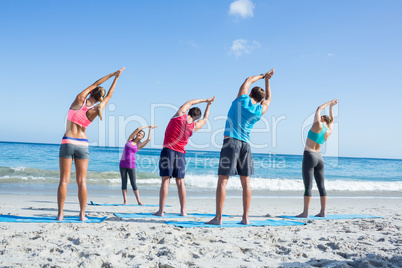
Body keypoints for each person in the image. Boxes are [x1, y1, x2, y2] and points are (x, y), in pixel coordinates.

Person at [207, 68, 275, 225]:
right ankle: (245, 218)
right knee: (246, 183)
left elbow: (248, 79)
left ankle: (218, 218)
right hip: (246, 145)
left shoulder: (242, 100)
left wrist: (263, 75)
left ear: (250, 93)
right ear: (260, 99)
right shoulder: (259, 110)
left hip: (231, 142)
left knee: (223, 180)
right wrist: (268, 81)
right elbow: (269, 99)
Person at [57, 68, 125, 221]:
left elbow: (96, 83)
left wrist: (113, 74)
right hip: (82, 144)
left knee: (64, 180)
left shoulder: (79, 99)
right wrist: (117, 79)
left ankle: (60, 214)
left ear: (91, 93)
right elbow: (110, 95)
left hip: (68, 141)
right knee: (82, 181)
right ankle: (82, 215)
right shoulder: (96, 109)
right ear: (99, 98)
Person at [153, 97, 215, 216]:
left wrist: (206, 100)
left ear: (189, 111)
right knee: (180, 182)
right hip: (180, 154)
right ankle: (183, 211)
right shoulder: (194, 126)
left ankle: (160, 211)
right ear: (196, 117)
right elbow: (206, 119)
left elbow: (190, 102)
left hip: (168, 151)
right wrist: (209, 105)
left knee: (165, 181)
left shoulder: (180, 114)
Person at [296, 99, 338, 218]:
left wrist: (330, 103)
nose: (319, 118)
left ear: (323, 119)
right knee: (321, 186)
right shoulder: (328, 131)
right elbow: (332, 120)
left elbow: (319, 108)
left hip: (309, 155)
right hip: (320, 158)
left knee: (308, 186)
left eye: (321, 117)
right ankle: (323, 212)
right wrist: (332, 108)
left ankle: (305, 213)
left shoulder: (317, 124)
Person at [119, 125, 158, 205]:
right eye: (139, 133)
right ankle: (125, 201)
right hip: (122, 164)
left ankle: (139, 201)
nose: (139, 134)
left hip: (131, 165)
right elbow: (138, 128)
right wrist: (147, 126)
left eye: (141, 134)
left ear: (142, 137)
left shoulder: (139, 145)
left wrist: (150, 129)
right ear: (137, 134)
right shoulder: (129, 139)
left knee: (133, 183)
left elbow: (148, 139)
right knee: (124, 182)